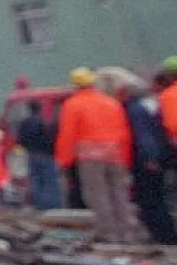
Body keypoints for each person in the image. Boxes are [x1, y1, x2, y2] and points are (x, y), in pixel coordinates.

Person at [55, 68, 139, 244]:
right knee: (119, 193)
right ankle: (127, 232)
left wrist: (64, 160)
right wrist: (125, 157)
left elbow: (68, 134)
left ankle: (108, 234)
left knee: (98, 194)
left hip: (90, 156)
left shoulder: (73, 104)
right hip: (115, 154)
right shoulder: (111, 102)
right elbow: (124, 132)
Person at [118, 70, 177, 244]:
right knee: (157, 198)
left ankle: (165, 236)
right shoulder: (146, 107)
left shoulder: (133, 110)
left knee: (150, 200)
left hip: (145, 161)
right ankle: (166, 234)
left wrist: (150, 158)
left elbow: (144, 136)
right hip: (156, 157)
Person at [16, 96, 63, 210]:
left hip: (31, 155)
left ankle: (39, 205)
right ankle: (52, 205)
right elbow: (51, 139)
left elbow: (20, 140)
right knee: (50, 181)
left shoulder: (24, 124)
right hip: (46, 155)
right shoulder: (44, 123)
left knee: (36, 181)